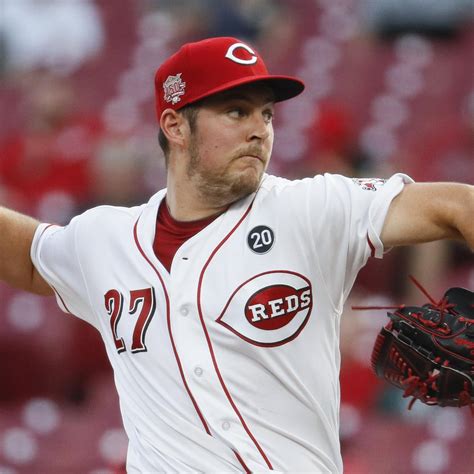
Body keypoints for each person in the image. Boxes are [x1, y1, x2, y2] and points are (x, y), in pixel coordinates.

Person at [0, 36, 472, 473]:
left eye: (266, 114)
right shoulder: (105, 239)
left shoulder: (310, 209)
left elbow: (456, 206)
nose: (259, 130)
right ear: (175, 125)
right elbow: (29, 258)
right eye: (236, 112)